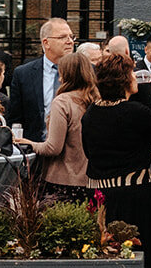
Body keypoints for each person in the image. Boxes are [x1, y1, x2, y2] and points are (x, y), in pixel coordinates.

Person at [82, 53, 151, 268]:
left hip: (99, 195)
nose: (136, 77)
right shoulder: (133, 112)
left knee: (104, 255)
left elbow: (88, 152)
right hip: (133, 196)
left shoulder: (90, 113)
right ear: (123, 80)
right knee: (135, 260)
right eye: (132, 73)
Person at [16, 51, 96, 202]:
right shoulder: (95, 100)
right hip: (90, 180)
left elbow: (53, 148)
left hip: (62, 181)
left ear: (66, 75)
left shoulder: (62, 102)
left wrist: (30, 144)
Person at [6, 17, 74, 141]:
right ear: (46, 42)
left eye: (71, 36)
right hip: (35, 149)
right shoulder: (23, 74)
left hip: (72, 152)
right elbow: (15, 119)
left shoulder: (86, 72)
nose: (70, 41)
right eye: (63, 37)